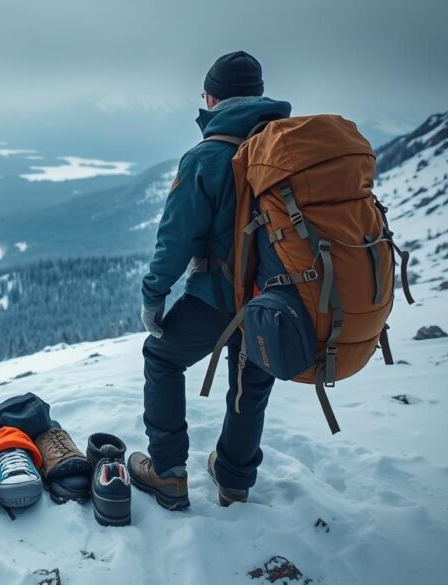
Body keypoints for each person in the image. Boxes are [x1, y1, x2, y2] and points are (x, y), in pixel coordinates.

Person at [127, 51, 291, 509]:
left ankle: (167, 473)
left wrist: (153, 297)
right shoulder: (284, 149)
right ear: (259, 97)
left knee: (161, 357)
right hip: (277, 297)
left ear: (212, 97)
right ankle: (234, 480)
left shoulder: (208, 156)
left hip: (218, 297)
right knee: (250, 378)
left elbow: (176, 238)